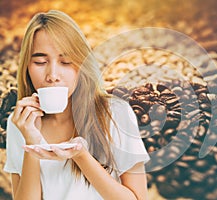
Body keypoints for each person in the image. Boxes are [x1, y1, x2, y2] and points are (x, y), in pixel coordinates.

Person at [4, 10, 149, 200]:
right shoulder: (20, 123)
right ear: (27, 67)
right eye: (40, 62)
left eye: (65, 62)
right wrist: (31, 142)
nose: (52, 75)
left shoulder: (115, 113)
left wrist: (81, 156)